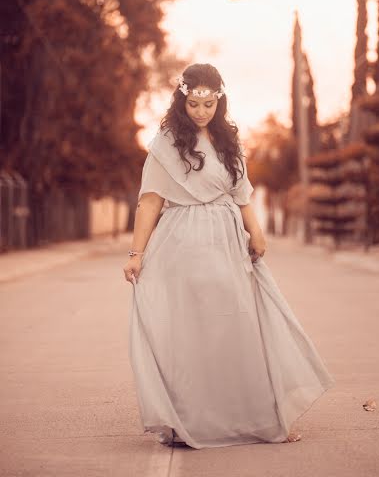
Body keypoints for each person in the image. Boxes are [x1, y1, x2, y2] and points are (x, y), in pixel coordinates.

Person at [123, 63, 335, 450]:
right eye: (194, 103)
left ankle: (259, 419)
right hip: (181, 242)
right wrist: (137, 254)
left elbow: (242, 195)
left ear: (219, 101)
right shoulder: (166, 143)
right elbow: (150, 201)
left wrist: (255, 230)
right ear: (182, 100)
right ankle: (188, 421)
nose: (201, 111)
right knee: (192, 331)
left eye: (208, 103)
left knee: (239, 326)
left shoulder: (228, 142)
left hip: (226, 240)